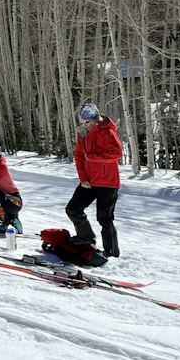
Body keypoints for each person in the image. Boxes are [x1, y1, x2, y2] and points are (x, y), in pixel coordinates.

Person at [66, 102, 122, 257]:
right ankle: (86, 238)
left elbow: (116, 153)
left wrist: (94, 157)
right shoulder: (82, 133)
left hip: (108, 182)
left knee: (104, 219)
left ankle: (111, 253)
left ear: (96, 119)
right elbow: (78, 156)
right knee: (73, 209)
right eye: (82, 122)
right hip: (89, 182)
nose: (85, 125)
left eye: (87, 122)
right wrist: (83, 178)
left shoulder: (108, 132)